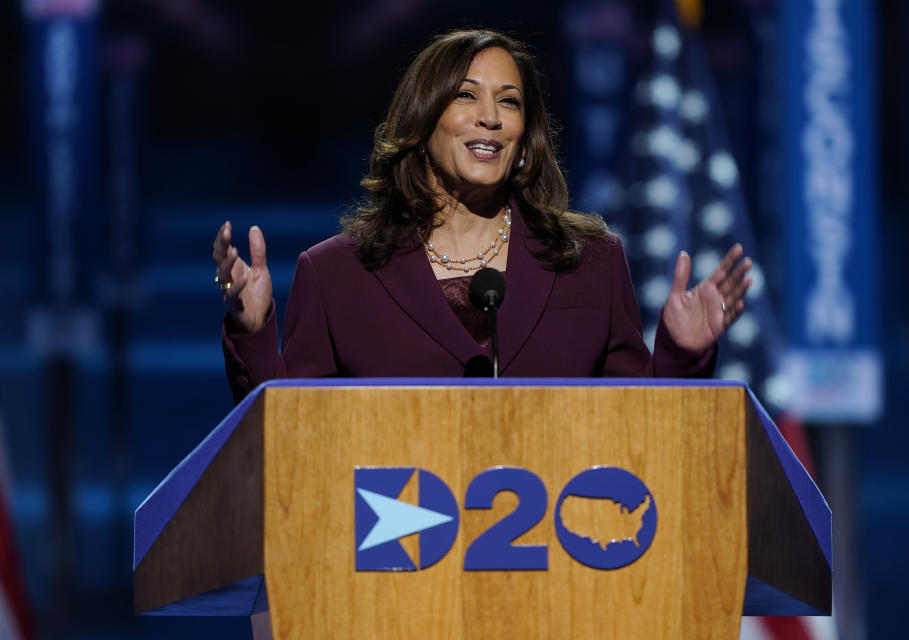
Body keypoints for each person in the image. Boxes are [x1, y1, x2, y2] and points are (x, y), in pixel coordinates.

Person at [212, 29, 752, 403]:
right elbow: (289, 440)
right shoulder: (336, 275)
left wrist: (682, 354)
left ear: (524, 140)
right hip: (394, 557)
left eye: (510, 101)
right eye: (466, 96)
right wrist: (253, 330)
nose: (490, 118)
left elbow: (640, 430)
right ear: (422, 123)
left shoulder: (592, 264)